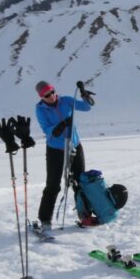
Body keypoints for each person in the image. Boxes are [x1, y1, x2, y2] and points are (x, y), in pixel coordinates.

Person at [34, 80, 92, 233]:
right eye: (47, 95)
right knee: (53, 185)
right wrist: (59, 127)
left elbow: (87, 107)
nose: (51, 96)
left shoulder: (66, 100)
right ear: (42, 97)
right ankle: (45, 220)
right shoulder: (40, 109)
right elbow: (47, 130)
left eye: (52, 92)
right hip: (56, 150)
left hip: (74, 146)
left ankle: (84, 214)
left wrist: (84, 95)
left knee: (80, 181)